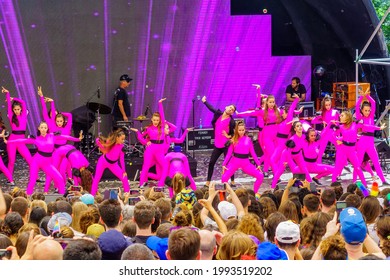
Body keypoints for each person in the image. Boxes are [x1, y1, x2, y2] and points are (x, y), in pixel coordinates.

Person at [5, 121, 81, 195]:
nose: (43, 129)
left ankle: (62, 199)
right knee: (32, 181)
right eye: (42, 127)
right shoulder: (36, 139)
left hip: (47, 163)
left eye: (45, 127)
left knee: (60, 179)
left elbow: (65, 136)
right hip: (36, 161)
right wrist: (8, 142)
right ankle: (28, 198)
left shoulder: (52, 136)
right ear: (39, 128)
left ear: (47, 128)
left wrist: (77, 139)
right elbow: (22, 140)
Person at [354, 91, 389, 185]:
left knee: (376, 162)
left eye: (369, 110)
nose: (368, 112)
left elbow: (373, 103)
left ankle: (383, 180)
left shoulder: (370, 116)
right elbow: (357, 105)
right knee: (358, 163)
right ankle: (354, 181)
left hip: (370, 143)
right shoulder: (360, 117)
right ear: (362, 110)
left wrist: (367, 96)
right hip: (362, 142)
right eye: (365, 110)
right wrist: (361, 97)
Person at [201, 96, 236, 187]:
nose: (230, 110)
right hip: (217, 145)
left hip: (226, 145)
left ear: (232, 113)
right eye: (230, 108)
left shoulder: (231, 121)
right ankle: (208, 181)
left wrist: (228, 136)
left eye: (232, 110)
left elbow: (233, 134)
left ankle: (232, 181)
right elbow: (211, 108)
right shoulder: (218, 114)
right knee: (212, 162)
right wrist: (205, 101)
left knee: (228, 163)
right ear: (226, 107)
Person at [221, 121, 264, 193]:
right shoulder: (233, 140)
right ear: (236, 130)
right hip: (234, 162)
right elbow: (229, 154)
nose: (241, 132)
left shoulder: (248, 140)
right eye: (239, 130)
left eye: (243, 130)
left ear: (245, 130)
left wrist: (258, 164)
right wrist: (223, 164)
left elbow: (253, 153)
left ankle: (254, 193)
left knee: (260, 176)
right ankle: (227, 195)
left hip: (246, 163)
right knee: (224, 178)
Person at [1, 87, 32, 183]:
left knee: (30, 160)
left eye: (18, 109)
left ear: (21, 109)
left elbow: (23, 102)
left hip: (21, 141)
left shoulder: (23, 115)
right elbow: (9, 105)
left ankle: (34, 177)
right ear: (13, 110)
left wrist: (13, 98)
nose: (17, 111)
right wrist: (8, 93)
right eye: (15, 109)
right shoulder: (11, 116)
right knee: (11, 161)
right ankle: (9, 179)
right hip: (12, 140)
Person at [90, 129, 130, 195]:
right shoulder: (110, 142)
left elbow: (121, 160)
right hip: (103, 161)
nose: (123, 141)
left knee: (124, 178)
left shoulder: (121, 147)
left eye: (124, 139)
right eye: (122, 139)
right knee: (96, 178)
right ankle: (92, 195)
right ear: (117, 138)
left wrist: (124, 171)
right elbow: (99, 142)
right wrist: (100, 144)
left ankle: (127, 194)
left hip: (113, 164)